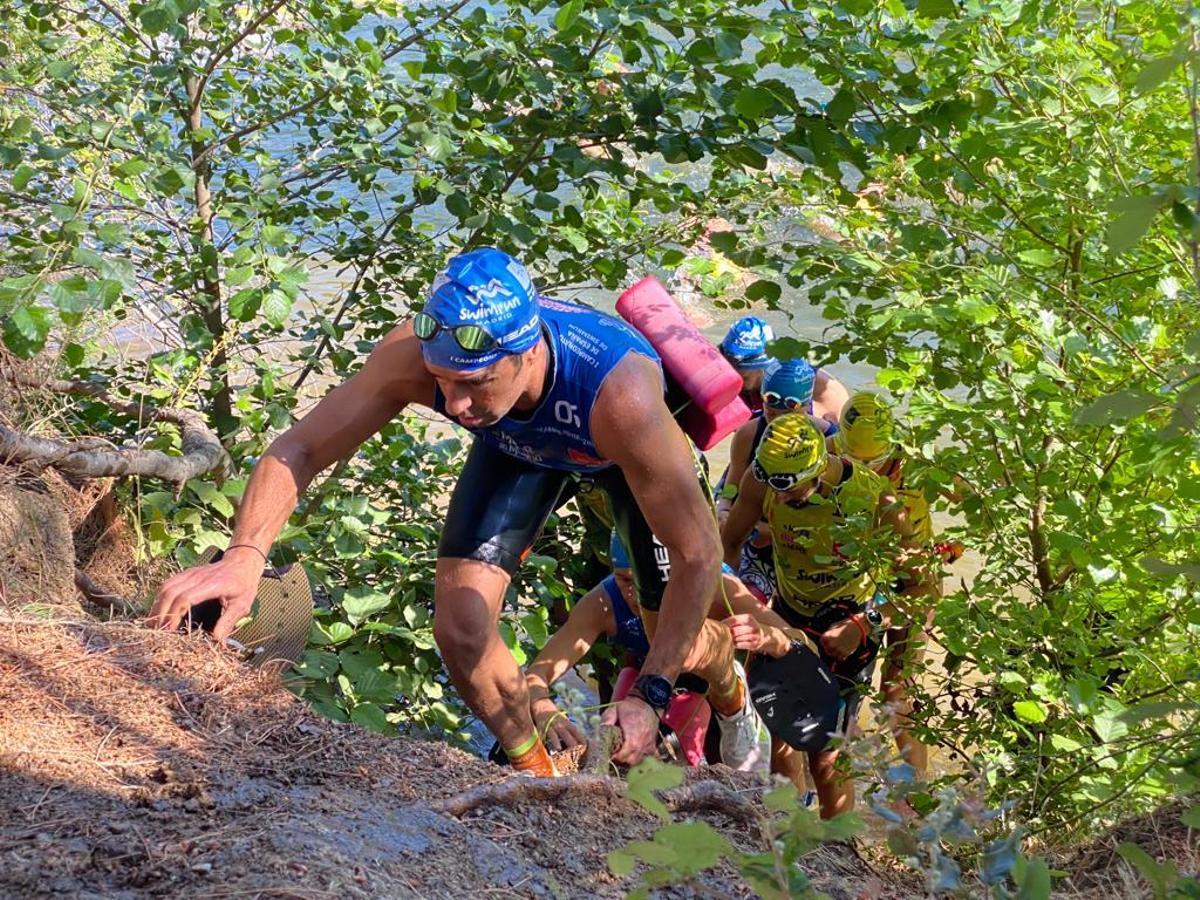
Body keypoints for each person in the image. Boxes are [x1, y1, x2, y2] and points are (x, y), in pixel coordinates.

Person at [149, 247, 766, 778]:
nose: (453, 403)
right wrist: (244, 557)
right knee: (461, 629)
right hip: (519, 445)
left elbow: (699, 553)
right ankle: (538, 778)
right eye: (442, 382)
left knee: (670, 636)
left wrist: (652, 696)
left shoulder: (622, 398)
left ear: (526, 353)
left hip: (616, 451)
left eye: (474, 381)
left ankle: (734, 699)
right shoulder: (419, 360)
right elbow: (300, 447)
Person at [721, 413, 935, 817]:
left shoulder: (877, 499)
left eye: (792, 491)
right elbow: (729, 546)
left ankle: (839, 845)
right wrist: (735, 604)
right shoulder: (761, 479)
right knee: (780, 731)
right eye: (774, 487)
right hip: (786, 615)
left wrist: (864, 626)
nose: (779, 500)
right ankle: (789, 828)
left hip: (848, 627)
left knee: (827, 753)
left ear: (819, 468)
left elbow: (924, 588)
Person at [525, 532, 714, 767]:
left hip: (708, 682)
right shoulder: (603, 603)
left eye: (646, 582)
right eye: (625, 580)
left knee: (693, 750)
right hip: (642, 672)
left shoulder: (708, 584)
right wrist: (542, 706)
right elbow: (537, 674)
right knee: (623, 748)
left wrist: (759, 634)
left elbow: (773, 629)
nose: (635, 595)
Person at [833, 392, 943, 779]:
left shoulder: (921, 465)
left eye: (874, 464)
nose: (864, 472)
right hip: (855, 573)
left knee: (896, 693)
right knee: (841, 687)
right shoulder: (827, 454)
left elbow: (981, 506)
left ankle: (918, 793)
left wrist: (952, 546)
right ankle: (846, 776)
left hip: (910, 580)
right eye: (855, 463)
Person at [716, 359, 839, 607]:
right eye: (771, 410)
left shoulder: (830, 443)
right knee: (741, 601)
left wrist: (773, 534)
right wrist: (723, 509)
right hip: (756, 533)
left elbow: (836, 521)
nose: (777, 421)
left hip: (809, 546)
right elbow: (731, 489)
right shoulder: (749, 434)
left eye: (788, 412)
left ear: (804, 407)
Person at [717, 316, 849, 422]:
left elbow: (843, 444)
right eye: (729, 370)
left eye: (743, 377)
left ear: (763, 367)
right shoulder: (735, 381)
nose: (733, 381)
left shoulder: (821, 390)